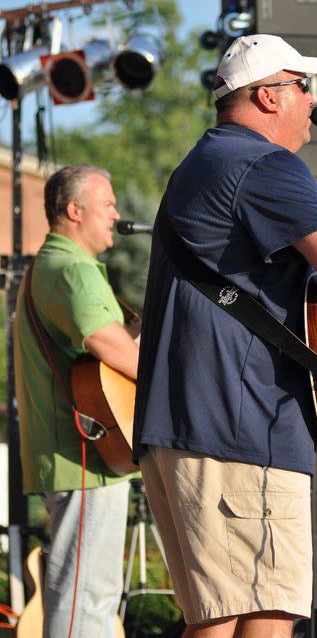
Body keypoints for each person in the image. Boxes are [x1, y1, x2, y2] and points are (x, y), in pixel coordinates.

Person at [133, 34, 317, 638]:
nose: (313, 101)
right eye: (302, 86)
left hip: (193, 424)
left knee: (233, 614)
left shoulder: (206, 163)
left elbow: (278, 288)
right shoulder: (261, 163)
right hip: (238, 426)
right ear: (268, 95)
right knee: (256, 614)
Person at [14, 165, 140, 637]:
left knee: (92, 595)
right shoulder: (72, 269)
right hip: (86, 455)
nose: (116, 214)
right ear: (74, 211)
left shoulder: (50, 265)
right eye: (107, 204)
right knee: (84, 599)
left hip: (80, 454)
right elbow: (113, 348)